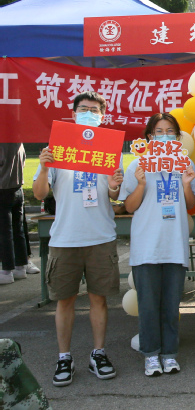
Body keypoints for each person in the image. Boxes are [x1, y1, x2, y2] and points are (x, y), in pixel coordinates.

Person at [32, 91, 124, 386]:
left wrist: (113, 185)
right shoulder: (55, 148)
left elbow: (114, 195)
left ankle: (99, 353)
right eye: (83, 109)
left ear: (102, 116)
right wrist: (44, 167)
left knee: (99, 299)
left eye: (94, 110)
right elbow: (40, 193)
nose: (88, 114)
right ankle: (64, 357)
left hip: (100, 236)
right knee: (64, 301)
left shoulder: (110, 149)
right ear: (73, 115)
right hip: (65, 238)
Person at [119, 113, 195, 376]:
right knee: (148, 305)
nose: (164, 136)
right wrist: (141, 184)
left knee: (171, 305)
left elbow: (191, 204)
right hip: (147, 246)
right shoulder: (138, 165)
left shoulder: (185, 163)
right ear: (149, 137)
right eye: (159, 131)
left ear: (177, 137)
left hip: (174, 244)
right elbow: (129, 206)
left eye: (170, 131)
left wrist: (186, 184)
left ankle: (169, 354)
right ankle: (151, 355)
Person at [0, 143, 31, 284]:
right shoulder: (18, 143)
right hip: (17, 188)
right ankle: (21, 266)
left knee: (4, 232)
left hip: (3, 187)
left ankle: (7, 270)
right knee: (18, 230)